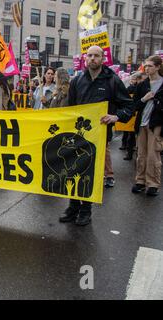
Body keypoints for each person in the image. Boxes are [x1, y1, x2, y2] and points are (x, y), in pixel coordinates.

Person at [59, 45, 135, 226]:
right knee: (73, 171)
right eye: (89, 55)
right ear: (85, 59)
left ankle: (86, 210)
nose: (92, 58)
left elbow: (129, 106)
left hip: (99, 137)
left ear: (102, 58)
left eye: (96, 56)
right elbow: (70, 107)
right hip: (77, 136)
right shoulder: (77, 80)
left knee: (89, 174)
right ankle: (73, 207)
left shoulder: (112, 81)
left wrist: (116, 117)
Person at [131, 55, 163, 197]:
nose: (147, 68)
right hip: (142, 123)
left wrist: (158, 102)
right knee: (141, 154)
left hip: (156, 123)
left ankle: (153, 183)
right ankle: (140, 181)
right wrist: (145, 98)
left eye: (150, 66)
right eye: (146, 66)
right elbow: (134, 105)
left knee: (153, 154)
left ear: (157, 67)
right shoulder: (142, 85)